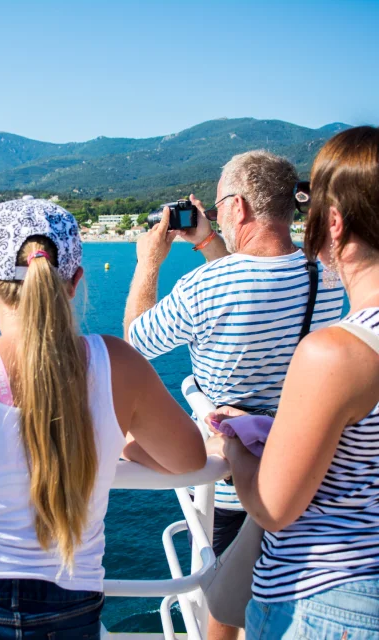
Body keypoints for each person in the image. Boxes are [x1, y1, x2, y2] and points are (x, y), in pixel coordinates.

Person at [0, 196, 206, 640]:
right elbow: (188, 458)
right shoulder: (118, 364)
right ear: (74, 281)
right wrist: (119, 446)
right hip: (67, 604)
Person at [123, 151, 344, 640]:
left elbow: (137, 340)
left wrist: (147, 263)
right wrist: (209, 241)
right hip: (305, 466)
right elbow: (250, 284)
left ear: (239, 207)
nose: (218, 214)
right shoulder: (324, 272)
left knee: (224, 607)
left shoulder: (206, 285)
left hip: (234, 481)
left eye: (222, 205)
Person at [206, 126, 379, 639]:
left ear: (333, 221)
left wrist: (234, 444)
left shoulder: (336, 353)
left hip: (328, 601)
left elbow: (274, 508)